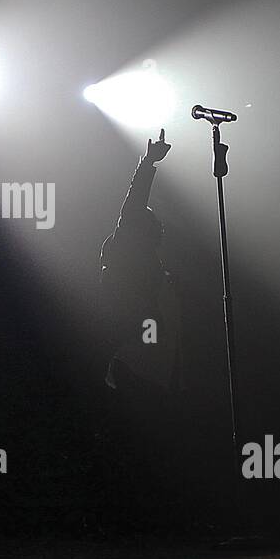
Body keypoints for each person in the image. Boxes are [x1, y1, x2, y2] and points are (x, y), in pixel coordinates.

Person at [99, 129, 181, 395]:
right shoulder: (129, 250)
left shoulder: (146, 263)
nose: (158, 224)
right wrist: (147, 164)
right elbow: (134, 203)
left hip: (138, 346)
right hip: (130, 348)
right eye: (150, 220)